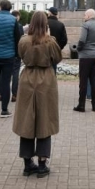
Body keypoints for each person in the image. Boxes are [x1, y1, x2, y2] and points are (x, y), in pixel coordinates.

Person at [13, 11, 62, 178]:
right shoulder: (50, 41)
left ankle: (27, 164)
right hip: (45, 80)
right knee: (44, 120)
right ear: (45, 23)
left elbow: (20, 55)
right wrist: (49, 37)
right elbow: (58, 58)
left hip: (27, 79)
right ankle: (42, 164)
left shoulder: (23, 40)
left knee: (27, 120)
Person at [73, 9, 95, 112]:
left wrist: (78, 49)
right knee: (94, 81)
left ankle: (81, 105)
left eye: (85, 14)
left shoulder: (86, 25)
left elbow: (82, 39)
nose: (84, 16)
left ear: (89, 15)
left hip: (86, 56)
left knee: (83, 81)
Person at [11, 10, 24, 101]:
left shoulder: (7, 25)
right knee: (15, 73)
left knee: (4, 74)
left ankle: (1, 94)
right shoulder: (19, 26)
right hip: (16, 53)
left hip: (7, 52)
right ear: (18, 17)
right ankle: (14, 94)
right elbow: (21, 40)